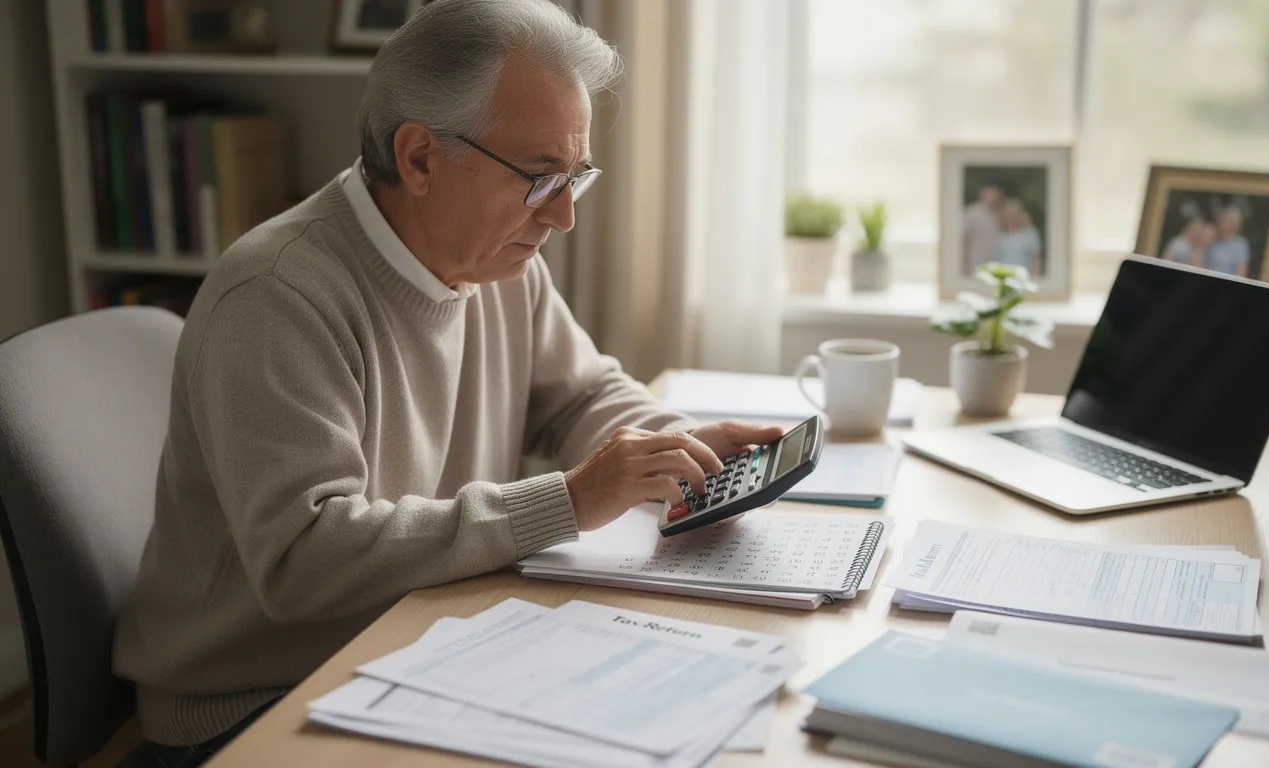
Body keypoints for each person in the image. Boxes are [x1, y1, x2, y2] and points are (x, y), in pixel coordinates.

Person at [112, 2, 782, 765]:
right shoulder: (276, 297)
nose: (563, 215)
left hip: (415, 644)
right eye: (539, 177)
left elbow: (582, 393)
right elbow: (305, 561)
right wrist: (569, 500)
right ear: (421, 157)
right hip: (258, 701)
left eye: (576, 176)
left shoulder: (496, 258)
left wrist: (671, 445)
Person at [961, 179, 1003, 274]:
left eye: (996, 192)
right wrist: (964, 269)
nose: (993, 195)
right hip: (975, 267)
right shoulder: (972, 213)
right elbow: (964, 242)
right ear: (982, 192)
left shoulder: (1001, 214)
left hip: (996, 267)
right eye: (990, 191)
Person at [994, 198, 1043, 275]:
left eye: (1014, 215)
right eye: (1008, 215)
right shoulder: (1001, 237)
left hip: (1025, 278)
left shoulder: (1030, 233)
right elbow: (998, 261)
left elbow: (1036, 259)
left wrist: (1036, 276)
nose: (1011, 218)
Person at [1202, 206, 1253, 277]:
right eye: (1222, 221)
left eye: (1227, 221)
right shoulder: (1212, 240)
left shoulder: (1240, 244)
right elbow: (1204, 264)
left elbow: (1241, 272)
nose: (1222, 225)